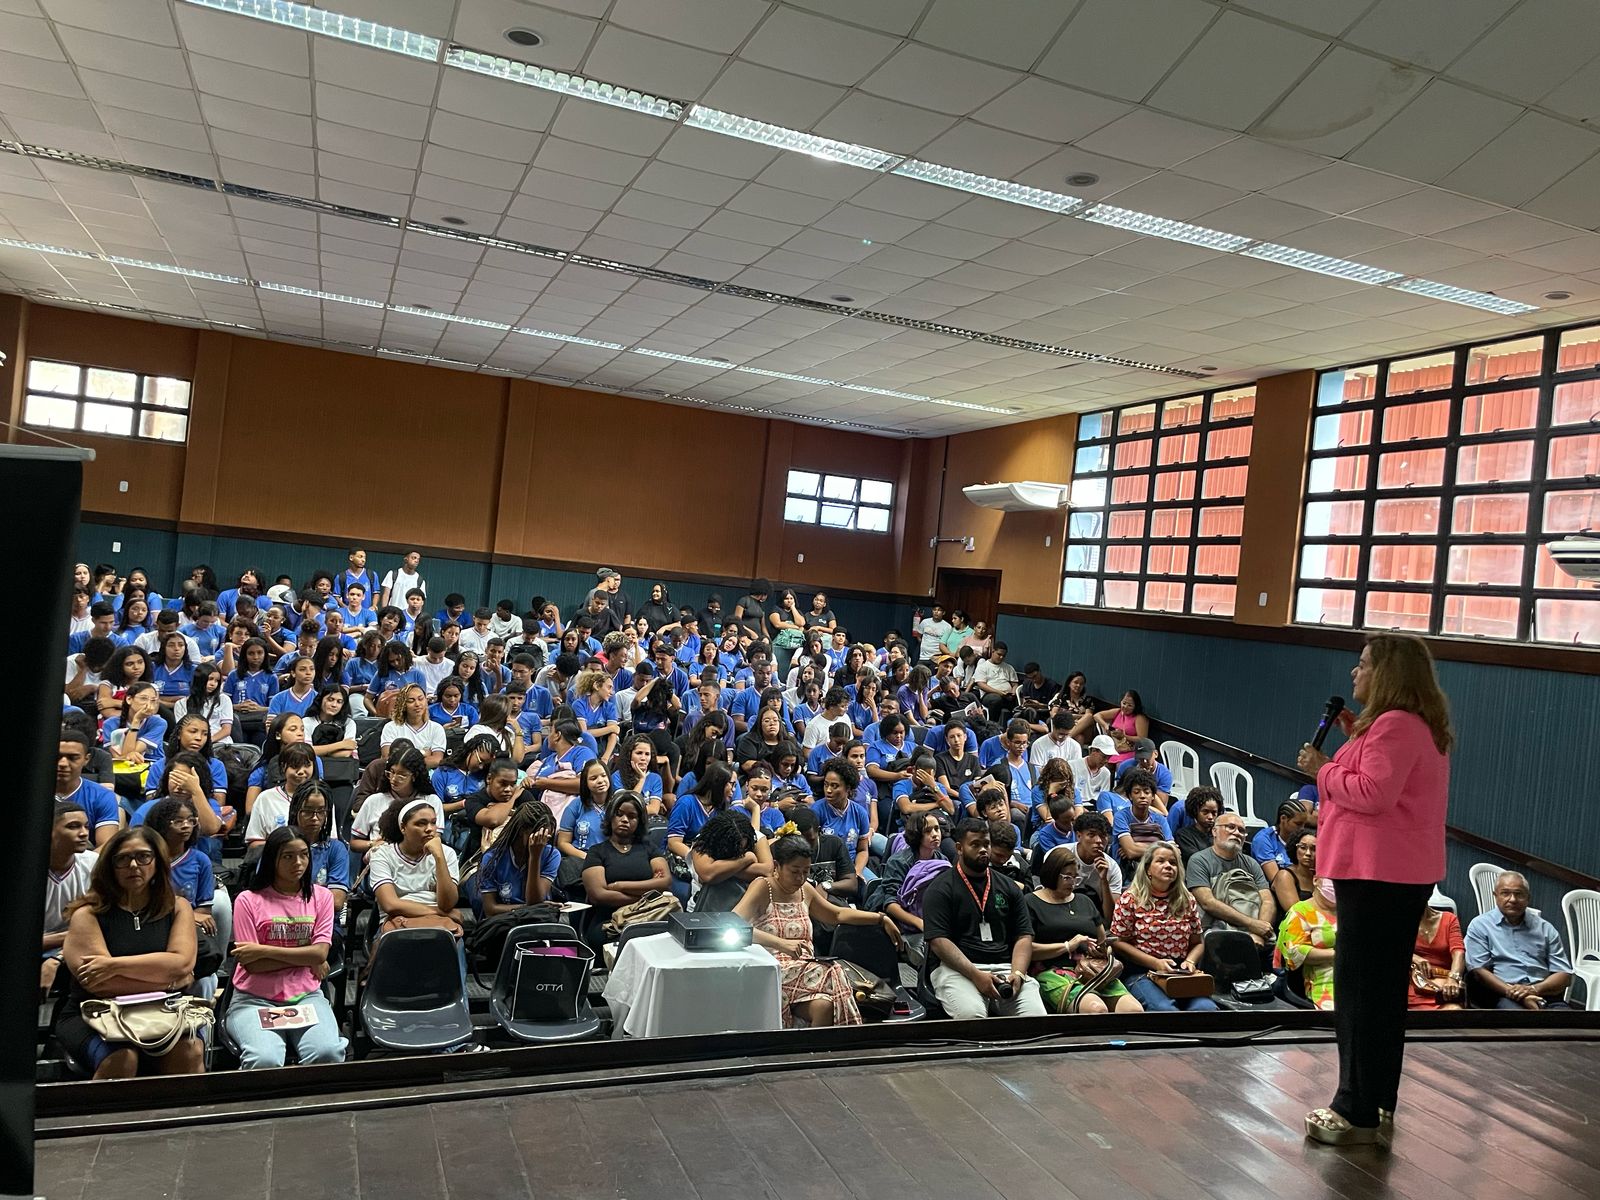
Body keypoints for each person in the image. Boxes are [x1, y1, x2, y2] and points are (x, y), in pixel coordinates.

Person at [1295, 633, 1453, 1146]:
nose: (1353, 673)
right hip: (1393, 874)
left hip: (1378, 872)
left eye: (1362, 664)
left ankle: (1354, 1106)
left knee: (1360, 990)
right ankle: (1377, 1098)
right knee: (1382, 992)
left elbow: (1372, 794)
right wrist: (1352, 743)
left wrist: (1323, 770)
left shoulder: (1395, 726)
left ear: (1386, 673)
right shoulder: (1409, 725)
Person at [59, 827, 204, 1078]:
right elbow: (101, 984)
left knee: (189, 1051)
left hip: (163, 1010)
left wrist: (114, 965)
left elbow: (181, 962)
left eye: (143, 856)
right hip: (95, 1012)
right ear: (110, 866)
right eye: (123, 859)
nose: (133, 865)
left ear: (157, 862)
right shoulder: (88, 914)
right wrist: (171, 980)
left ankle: (176, 1118)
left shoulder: (178, 907)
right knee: (122, 1057)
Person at [735, 832, 901, 1027]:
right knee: (834, 970)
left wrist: (880, 918)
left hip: (807, 973)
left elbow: (837, 915)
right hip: (773, 971)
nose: (801, 877)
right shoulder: (763, 887)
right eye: (795, 871)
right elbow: (734, 925)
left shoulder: (804, 889)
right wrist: (781, 943)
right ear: (777, 866)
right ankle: (853, 1034)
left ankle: (819, 1054)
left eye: (806, 871)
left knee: (825, 1006)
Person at [225, 826, 346, 1068]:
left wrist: (263, 950)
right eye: (288, 856)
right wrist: (307, 957)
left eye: (303, 854)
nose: (298, 862)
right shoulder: (248, 900)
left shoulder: (321, 898)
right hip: (254, 999)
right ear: (272, 860)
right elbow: (254, 965)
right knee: (264, 1060)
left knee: (328, 1053)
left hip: (306, 997)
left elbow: (320, 953)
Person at [922, 819, 1046, 1019]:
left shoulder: (1009, 887)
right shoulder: (940, 888)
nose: (983, 850)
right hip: (958, 970)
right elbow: (938, 942)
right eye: (975, 844)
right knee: (973, 1017)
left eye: (986, 844)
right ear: (959, 848)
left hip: (1005, 968)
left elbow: (1024, 935)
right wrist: (975, 975)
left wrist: (1019, 974)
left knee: (1036, 1018)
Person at [1027, 846, 1142, 1015]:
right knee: (1096, 1009)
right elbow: (1026, 950)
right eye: (1067, 877)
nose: (1072, 882)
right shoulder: (1031, 902)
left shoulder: (1084, 901)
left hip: (1092, 969)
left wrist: (1102, 949)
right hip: (1052, 971)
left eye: (1075, 877)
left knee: (1133, 1010)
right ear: (1052, 873)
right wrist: (1069, 945)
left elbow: (1103, 941)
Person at [1110, 842, 1216, 1013]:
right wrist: (1155, 963)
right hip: (1142, 972)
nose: (1168, 866)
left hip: (1180, 973)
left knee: (1206, 1009)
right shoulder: (1130, 899)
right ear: (1148, 869)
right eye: (1161, 861)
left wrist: (1190, 961)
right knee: (1165, 1010)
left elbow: (1198, 942)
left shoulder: (1187, 900)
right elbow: (1117, 942)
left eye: (1173, 863)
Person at [1465, 872, 1575, 1011]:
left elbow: (1563, 974)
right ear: (1495, 895)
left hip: (1542, 993)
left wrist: (1533, 990)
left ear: (1528, 898)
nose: (1512, 899)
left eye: (1519, 894)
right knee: (1520, 1021)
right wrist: (1517, 994)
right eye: (1505, 893)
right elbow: (1478, 971)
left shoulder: (1545, 928)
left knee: (1570, 1023)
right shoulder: (1480, 925)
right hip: (1503, 994)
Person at [1185, 812, 1276, 961]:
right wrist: (1253, 925)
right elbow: (1208, 902)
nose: (1237, 833)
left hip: (1256, 932)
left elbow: (1268, 900)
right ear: (1214, 831)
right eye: (1231, 827)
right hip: (1217, 931)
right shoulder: (1199, 860)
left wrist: (1259, 932)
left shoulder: (1251, 863)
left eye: (1241, 830)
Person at [370, 797, 461, 935]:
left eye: (433, 823)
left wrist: (439, 858)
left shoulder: (447, 854)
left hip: (439, 924)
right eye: (421, 824)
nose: (430, 829)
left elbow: (447, 904)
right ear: (403, 827)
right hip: (396, 924)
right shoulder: (382, 855)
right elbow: (390, 904)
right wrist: (439, 911)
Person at [581, 792, 670, 931]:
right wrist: (648, 897)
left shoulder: (649, 848)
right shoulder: (596, 852)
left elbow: (664, 882)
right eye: (619, 814)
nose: (624, 820)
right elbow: (598, 895)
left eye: (632, 816)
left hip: (649, 916)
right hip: (609, 921)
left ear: (639, 821)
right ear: (610, 817)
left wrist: (619, 885)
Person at [42, 801, 97, 996]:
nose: (84, 833)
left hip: (74, 950)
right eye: (73, 826)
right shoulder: (23, 866)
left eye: (86, 826)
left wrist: (56, 959)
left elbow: (97, 931)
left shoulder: (93, 864)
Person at [1276, 877, 1339, 1010]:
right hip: (1323, 981)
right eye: (1330, 879)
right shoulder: (1300, 911)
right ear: (1316, 880)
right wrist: (1337, 954)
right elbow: (1294, 952)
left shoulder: (1348, 910)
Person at [1408, 904, 1465, 1010]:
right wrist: (1414, 957)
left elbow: (1458, 952)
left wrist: (1453, 978)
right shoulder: (1397, 921)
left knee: (1454, 1010)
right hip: (1414, 987)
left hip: (1443, 987)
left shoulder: (1449, 919)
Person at [1253, 800, 1311, 884]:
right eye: (1298, 824)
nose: (1302, 829)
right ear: (1283, 818)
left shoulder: (1302, 840)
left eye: (1304, 825)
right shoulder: (1263, 839)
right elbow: (1276, 882)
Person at [1272, 827, 1318, 922]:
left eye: (1314, 849)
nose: (1308, 853)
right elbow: (1295, 912)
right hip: (1291, 930)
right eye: (1303, 847)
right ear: (1295, 849)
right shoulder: (1285, 875)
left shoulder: (1318, 876)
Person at [1175, 786, 1222, 864]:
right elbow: (1198, 861)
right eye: (1205, 812)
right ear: (1195, 811)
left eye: (1214, 813)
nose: (1210, 817)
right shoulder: (1184, 835)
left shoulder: (1220, 834)